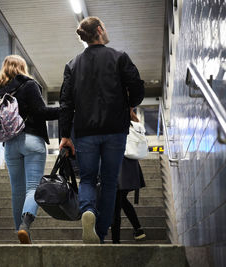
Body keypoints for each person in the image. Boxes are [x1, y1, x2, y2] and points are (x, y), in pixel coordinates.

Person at [59, 16, 145, 243]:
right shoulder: (119, 58)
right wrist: (129, 105)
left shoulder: (72, 64)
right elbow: (138, 88)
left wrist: (65, 135)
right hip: (115, 130)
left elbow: (65, 103)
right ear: (99, 30)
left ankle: (88, 210)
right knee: (109, 181)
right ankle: (101, 232)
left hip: (85, 132)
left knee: (87, 179)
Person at [0, 55, 60, 244]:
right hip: (32, 140)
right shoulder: (29, 85)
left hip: (10, 144)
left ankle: (20, 233)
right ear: (22, 67)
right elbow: (41, 112)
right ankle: (25, 226)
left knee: (17, 192)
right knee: (32, 188)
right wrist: (66, 110)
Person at [111, 156, 147, 244]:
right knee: (121, 199)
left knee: (117, 203)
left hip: (118, 164)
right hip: (130, 165)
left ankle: (116, 241)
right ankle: (138, 229)